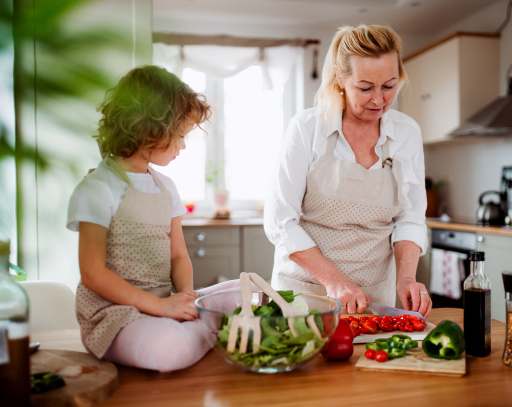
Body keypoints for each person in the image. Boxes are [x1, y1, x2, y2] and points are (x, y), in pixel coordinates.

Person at [67, 65, 238, 372]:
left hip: (163, 305)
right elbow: (92, 273)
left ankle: (208, 328)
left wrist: (186, 299)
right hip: (115, 317)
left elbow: (178, 256)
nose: (184, 146)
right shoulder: (98, 188)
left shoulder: (166, 187)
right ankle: (218, 331)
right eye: (180, 135)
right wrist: (162, 307)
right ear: (150, 128)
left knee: (248, 292)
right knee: (169, 349)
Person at [264, 25, 431, 317]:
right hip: (305, 294)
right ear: (340, 79)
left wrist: (406, 278)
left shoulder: (407, 133)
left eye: (389, 86)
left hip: (374, 297)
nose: (379, 100)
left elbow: (410, 218)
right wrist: (334, 280)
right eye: (365, 88)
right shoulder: (307, 129)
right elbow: (281, 221)